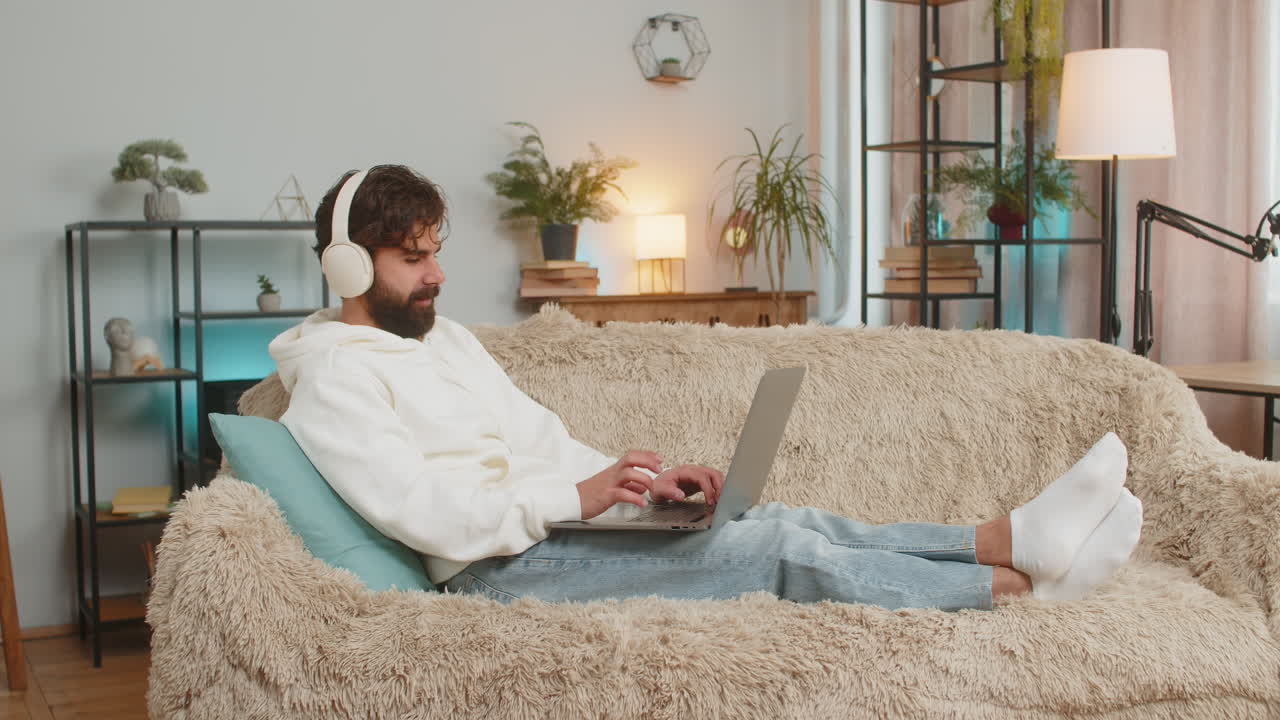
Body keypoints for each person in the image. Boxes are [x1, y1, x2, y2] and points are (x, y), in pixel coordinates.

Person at [269, 164, 1143, 611]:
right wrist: (571, 498)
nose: (438, 275)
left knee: (775, 520)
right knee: (763, 558)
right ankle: (1023, 597)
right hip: (495, 572)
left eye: (435, 252)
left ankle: (1009, 539)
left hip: (546, 532)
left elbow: (536, 437)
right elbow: (419, 509)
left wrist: (635, 487)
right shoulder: (331, 384)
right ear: (348, 264)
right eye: (413, 258)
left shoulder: (445, 341)